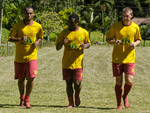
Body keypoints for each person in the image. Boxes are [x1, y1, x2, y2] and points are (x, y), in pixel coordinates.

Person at [106, 7, 142, 110]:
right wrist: (114, 42)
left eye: (127, 16)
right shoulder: (116, 26)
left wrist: (135, 43)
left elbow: (139, 39)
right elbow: (108, 39)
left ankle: (125, 96)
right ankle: (119, 104)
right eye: (123, 16)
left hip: (129, 58)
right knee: (118, 81)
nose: (125, 18)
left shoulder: (135, 27)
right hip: (117, 58)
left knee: (129, 80)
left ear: (131, 16)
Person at [8, 7, 43, 108]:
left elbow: (40, 37)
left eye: (30, 13)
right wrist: (20, 39)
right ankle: (22, 98)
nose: (28, 15)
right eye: (27, 13)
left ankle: (27, 99)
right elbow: (10, 38)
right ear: (24, 14)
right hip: (19, 57)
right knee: (21, 79)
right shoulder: (18, 25)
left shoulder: (38, 26)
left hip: (32, 56)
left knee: (31, 78)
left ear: (33, 14)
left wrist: (37, 42)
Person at [56, 13, 91, 108]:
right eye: (69, 23)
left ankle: (77, 95)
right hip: (66, 63)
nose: (70, 25)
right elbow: (57, 48)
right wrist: (63, 43)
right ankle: (70, 102)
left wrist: (85, 45)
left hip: (78, 63)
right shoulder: (64, 33)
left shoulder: (84, 32)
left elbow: (88, 43)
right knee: (68, 83)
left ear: (77, 23)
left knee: (77, 83)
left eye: (72, 23)